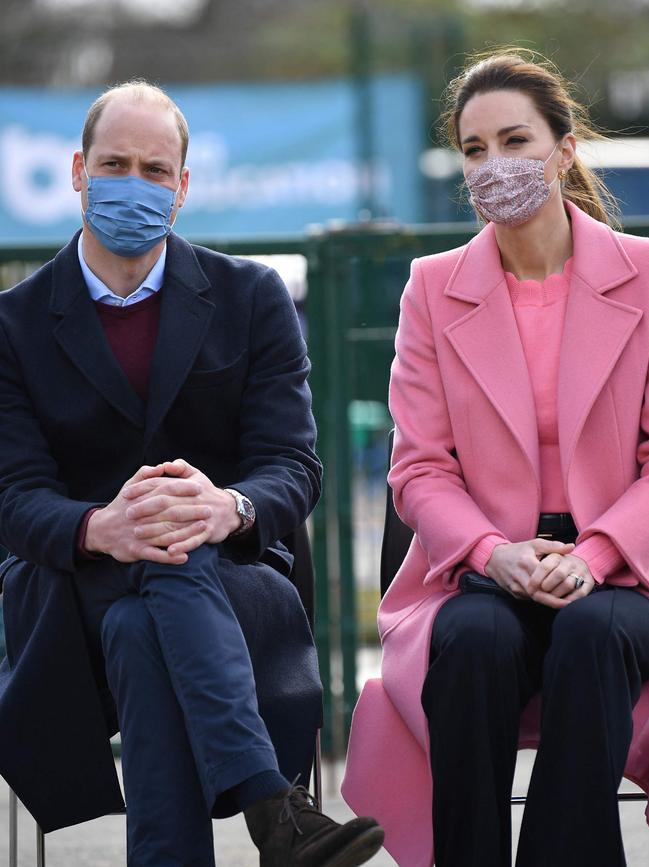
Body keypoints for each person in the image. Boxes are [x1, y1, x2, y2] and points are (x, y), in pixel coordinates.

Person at [0, 80, 384, 867]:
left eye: (153, 168)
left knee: (156, 600)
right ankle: (272, 805)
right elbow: (12, 495)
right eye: (114, 163)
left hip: (235, 588)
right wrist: (99, 526)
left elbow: (292, 464)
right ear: (76, 171)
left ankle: (261, 816)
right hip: (72, 597)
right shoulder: (14, 323)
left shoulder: (252, 296)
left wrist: (226, 508)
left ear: (183, 187)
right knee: (146, 588)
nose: (132, 185)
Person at [342, 51, 649, 867]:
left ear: (565, 149)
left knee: (593, 632)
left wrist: (595, 553)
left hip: (625, 568)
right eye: (474, 150)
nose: (494, 165)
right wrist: (494, 552)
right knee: (473, 644)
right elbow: (419, 468)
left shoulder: (648, 278)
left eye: (515, 140)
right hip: (486, 564)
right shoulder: (431, 288)